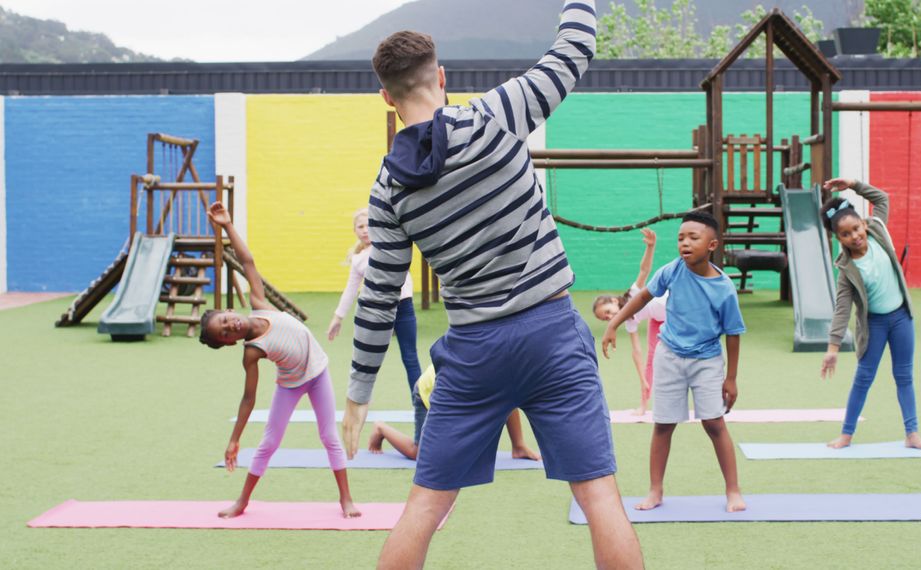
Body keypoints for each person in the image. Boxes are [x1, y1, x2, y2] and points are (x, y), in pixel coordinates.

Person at [342, 1, 644, 567]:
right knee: (599, 496)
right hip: (552, 333)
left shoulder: (387, 192)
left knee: (424, 509)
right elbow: (574, 49)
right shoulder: (496, 114)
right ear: (442, 77)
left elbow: (379, 296)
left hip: (473, 353)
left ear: (386, 97)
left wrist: (359, 395)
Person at [199, 201, 360, 519]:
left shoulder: (259, 303)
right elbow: (248, 398)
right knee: (269, 442)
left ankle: (346, 500)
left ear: (231, 311)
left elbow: (247, 260)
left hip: (317, 372)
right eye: (225, 333)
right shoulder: (252, 352)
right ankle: (242, 502)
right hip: (290, 384)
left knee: (329, 436)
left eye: (226, 320)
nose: (230, 326)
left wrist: (228, 225)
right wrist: (234, 440)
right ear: (230, 343)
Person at [601, 212, 747, 513]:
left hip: (706, 361)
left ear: (712, 245)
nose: (685, 243)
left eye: (694, 238)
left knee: (714, 424)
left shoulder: (724, 288)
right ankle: (655, 490)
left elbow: (733, 334)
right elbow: (642, 297)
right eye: (681, 238)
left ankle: (733, 490)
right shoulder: (673, 270)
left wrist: (731, 378)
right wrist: (614, 322)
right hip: (669, 355)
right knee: (663, 425)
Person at [819, 178, 921, 450]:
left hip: (901, 318)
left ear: (864, 224)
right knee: (864, 377)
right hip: (875, 325)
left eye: (856, 228)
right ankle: (846, 434)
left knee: (904, 375)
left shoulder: (879, 230)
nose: (854, 236)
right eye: (845, 234)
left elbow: (881, 198)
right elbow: (842, 309)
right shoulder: (846, 269)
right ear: (839, 238)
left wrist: (853, 185)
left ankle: (912, 434)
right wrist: (833, 348)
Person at [328, 207, 422, 419]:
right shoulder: (358, 259)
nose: (365, 230)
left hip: (403, 306)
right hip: (376, 312)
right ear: (355, 231)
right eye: (360, 226)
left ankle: (420, 404)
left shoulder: (389, 245)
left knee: (410, 356)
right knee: (368, 361)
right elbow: (351, 289)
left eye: (369, 225)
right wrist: (338, 317)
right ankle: (361, 404)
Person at [368, 365, 541, 461]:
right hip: (427, 395)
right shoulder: (468, 373)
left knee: (507, 393)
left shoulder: (497, 366)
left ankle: (518, 447)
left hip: (451, 392)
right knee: (419, 454)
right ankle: (381, 428)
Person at [592, 228, 666, 415]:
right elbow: (637, 351)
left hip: (674, 311)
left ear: (615, 301)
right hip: (657, 319)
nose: (609, 318)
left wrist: (650, 246)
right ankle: (644, 405)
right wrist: (642, 378)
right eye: (605, 318)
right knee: (651, 359)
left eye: (608, 312)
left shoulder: (633, 294)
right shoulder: (628, 323)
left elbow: (644, 270)